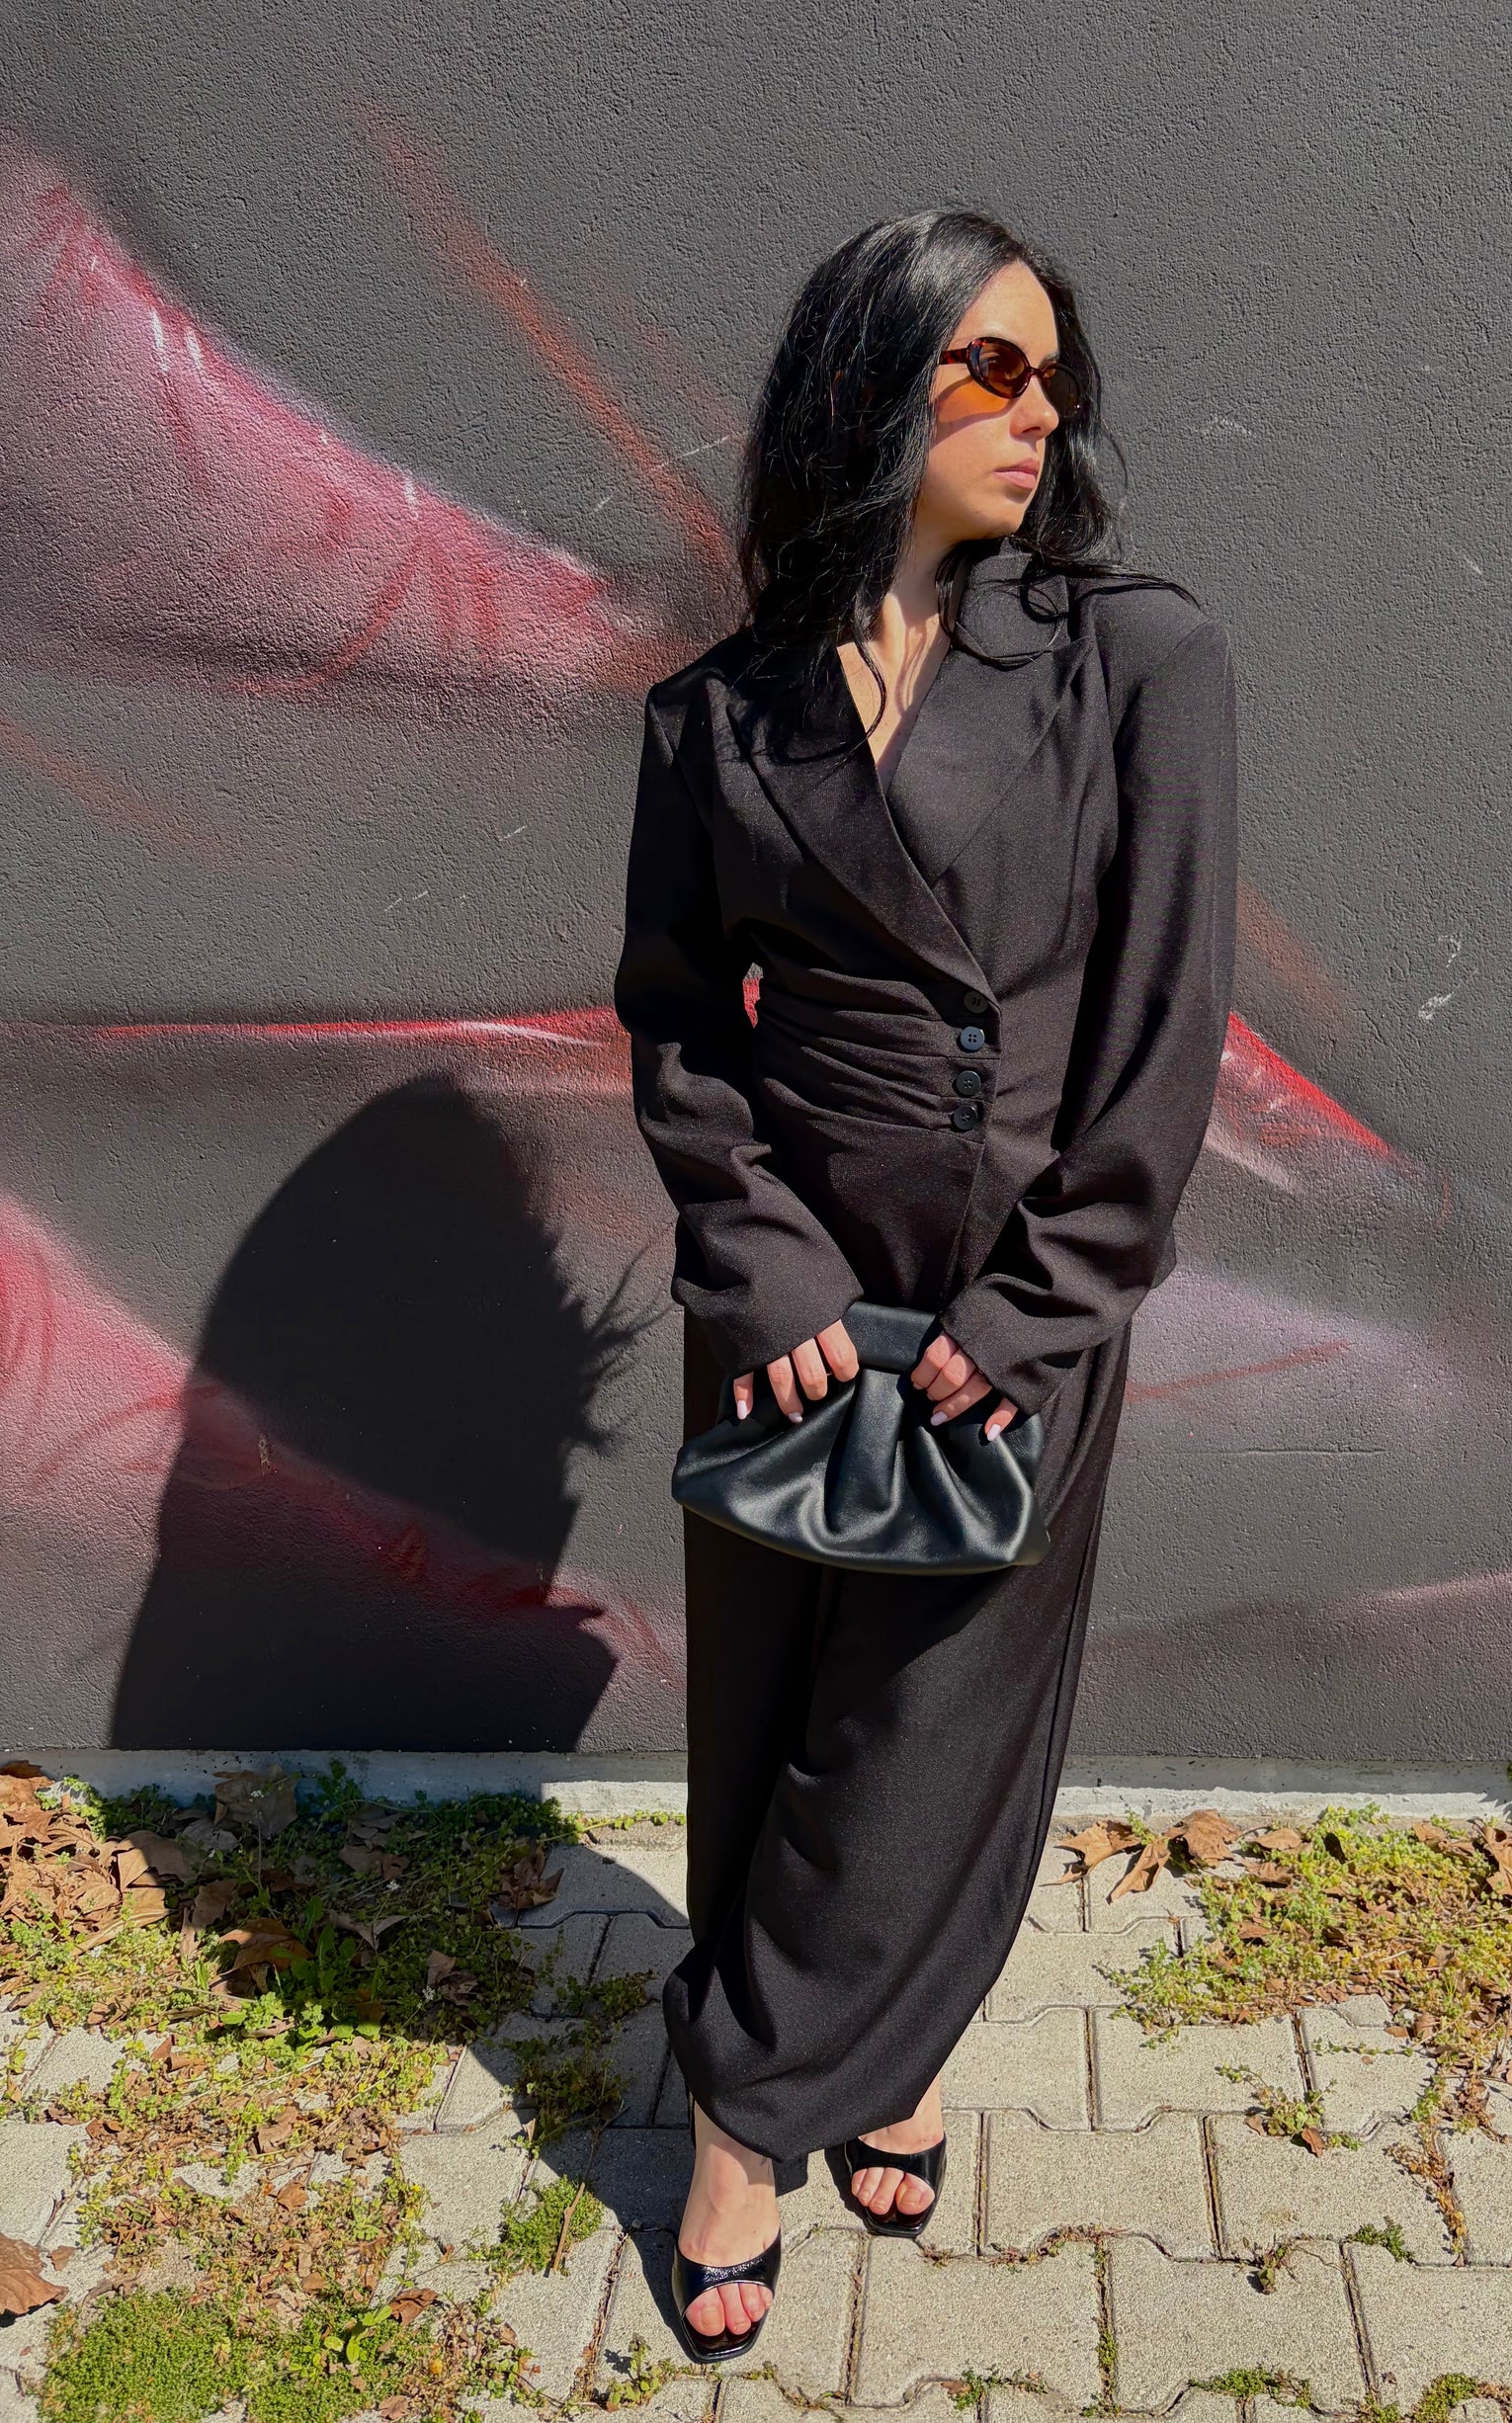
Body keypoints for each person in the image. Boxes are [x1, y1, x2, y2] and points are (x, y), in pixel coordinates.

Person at [612, 209, 1237, 2361]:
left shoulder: (1132, 660)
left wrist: (1037, 1305)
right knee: (770, 1707)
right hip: (787, 1287)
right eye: (988, 366)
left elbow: (1162, 1033)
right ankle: (878, 2053)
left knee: (921, 1724)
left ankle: (735, 2116)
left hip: (1011, 1287)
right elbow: (680, 1020)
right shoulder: (721, 711)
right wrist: (759, 1253)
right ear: (870, 381)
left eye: (1052, 373)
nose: (1035, 409)